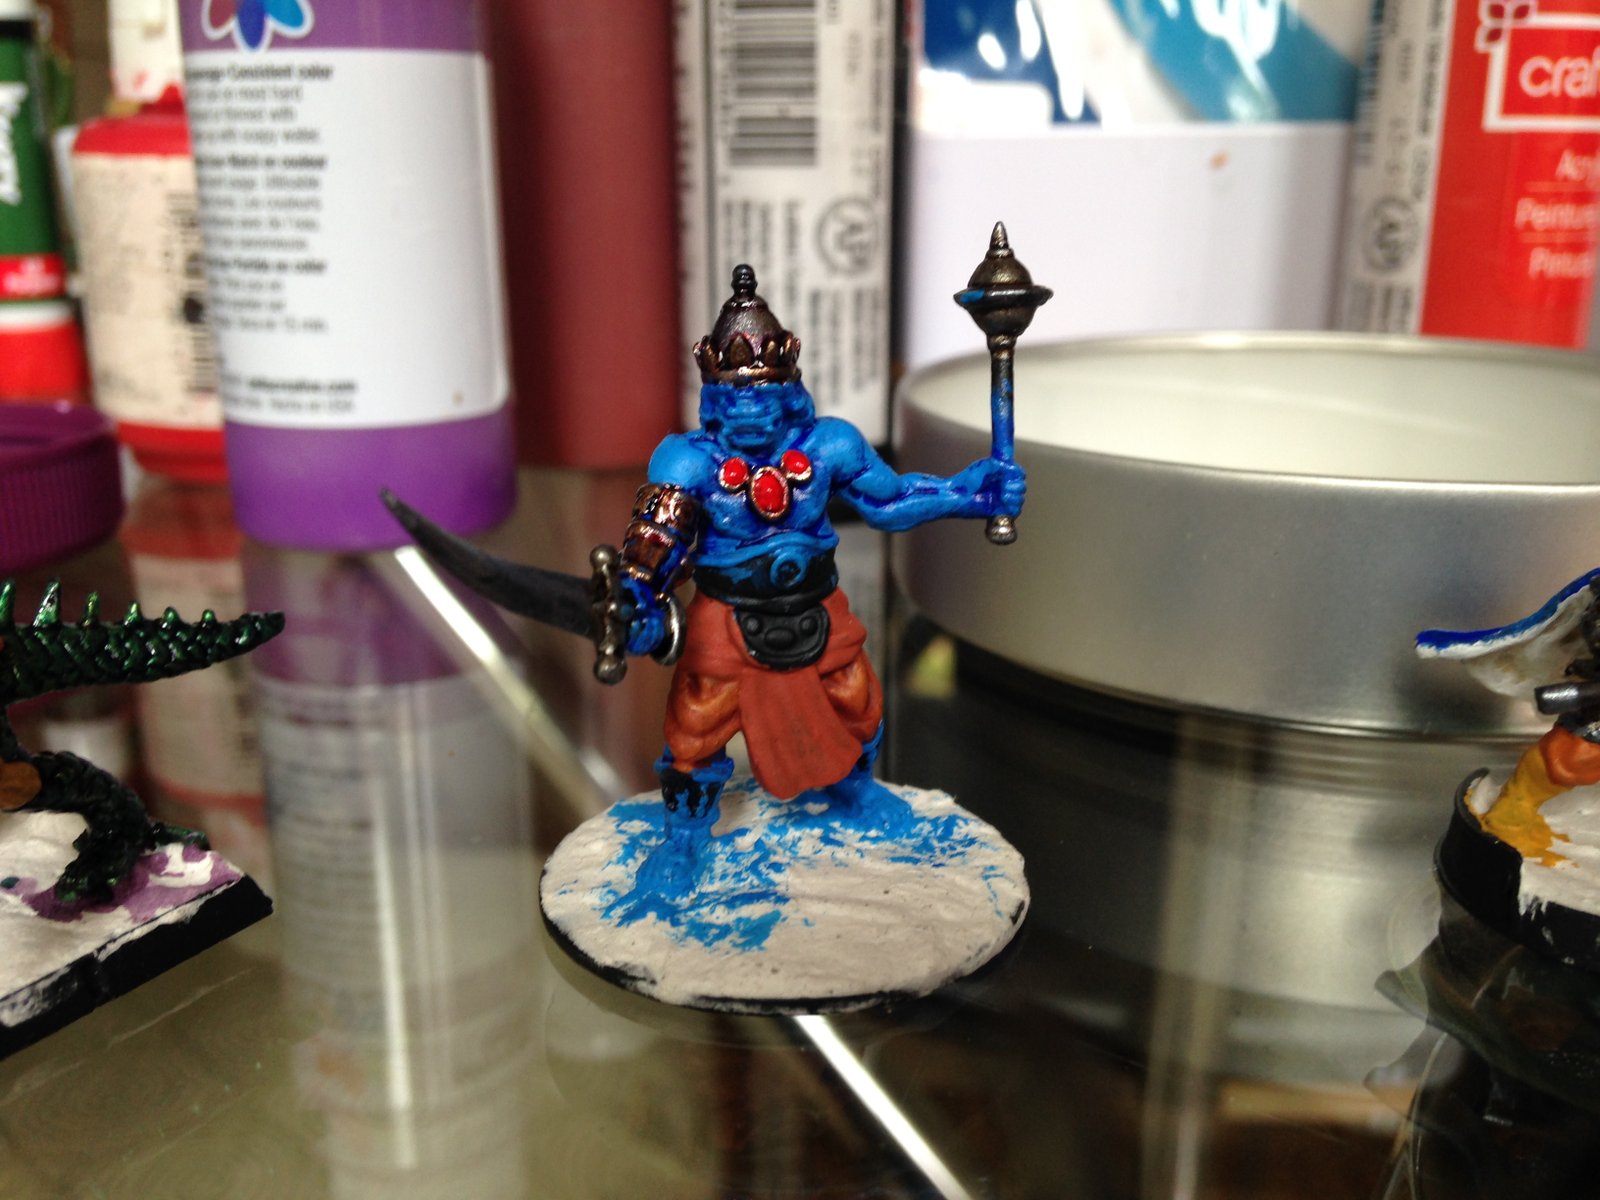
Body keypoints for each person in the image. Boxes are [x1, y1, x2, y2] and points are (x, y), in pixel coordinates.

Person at [614, 265, 1024, 831]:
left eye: (763, 395)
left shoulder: (829, 445)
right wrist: (637, 595)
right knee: (696, 726)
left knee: (856, 700)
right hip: (726, 614)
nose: (749, 410)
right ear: (712, 399)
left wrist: (971, 495)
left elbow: (890, 500)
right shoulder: (688, 461)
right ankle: (684, 836)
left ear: (789, 393)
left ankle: (856, 793)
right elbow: (654, 540)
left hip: (818, 605)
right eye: (734, 397)